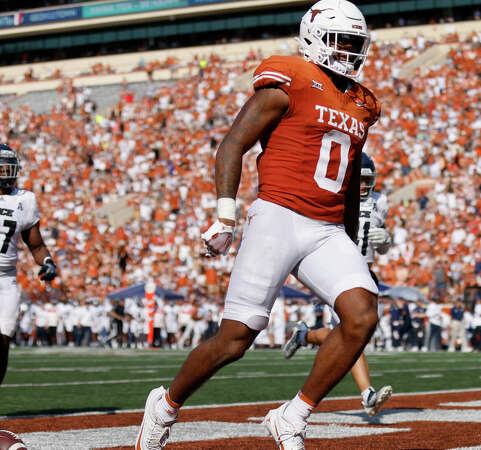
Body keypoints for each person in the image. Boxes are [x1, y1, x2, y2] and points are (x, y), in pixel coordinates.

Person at [135, 1, 380, 449]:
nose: (347, 50)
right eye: (339, 40)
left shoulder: (363, 103)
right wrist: (224, 214)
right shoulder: (289, 79)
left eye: (354, 43)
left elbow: (344, 181)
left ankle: (293, 415)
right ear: (313, 37)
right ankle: (165, 405)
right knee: (235, 338)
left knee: (362, 316)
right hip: (279, 216)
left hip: (327, 228)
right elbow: (233, 145)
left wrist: (349, 238)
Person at [282, 152, 392, 417]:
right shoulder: (337, 198)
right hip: (341, 270)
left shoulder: (381, 202)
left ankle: (305, 335)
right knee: (353, 333)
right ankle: (367, 394)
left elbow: (384, 246)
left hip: (366, 271)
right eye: (359, 180)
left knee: (349, 333)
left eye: (367, 181)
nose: (363, 186)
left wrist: (386, 239)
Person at [0, 143, 57, 422]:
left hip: (6, 278)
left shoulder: (25, 199)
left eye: (10, 166)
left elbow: (36, 243)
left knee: (3, 341)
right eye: (1, 166)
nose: (7, 172)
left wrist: (47, 262)